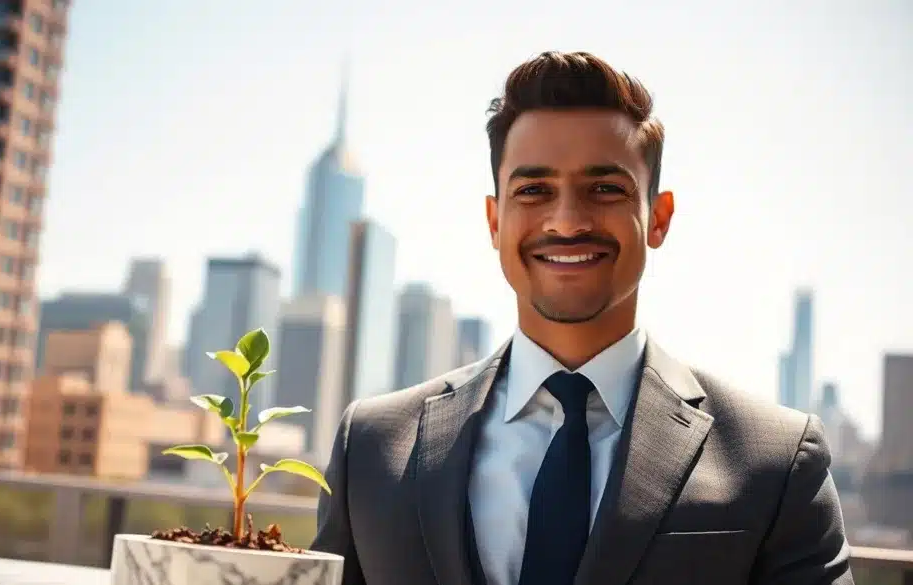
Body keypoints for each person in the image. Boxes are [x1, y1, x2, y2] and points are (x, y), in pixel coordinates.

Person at [311, 51, 854, 585]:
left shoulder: (775, 460)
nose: (568, 222)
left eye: (605, 189)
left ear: (658, 218)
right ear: (494, 220)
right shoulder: (372, 446)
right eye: (534, 190)